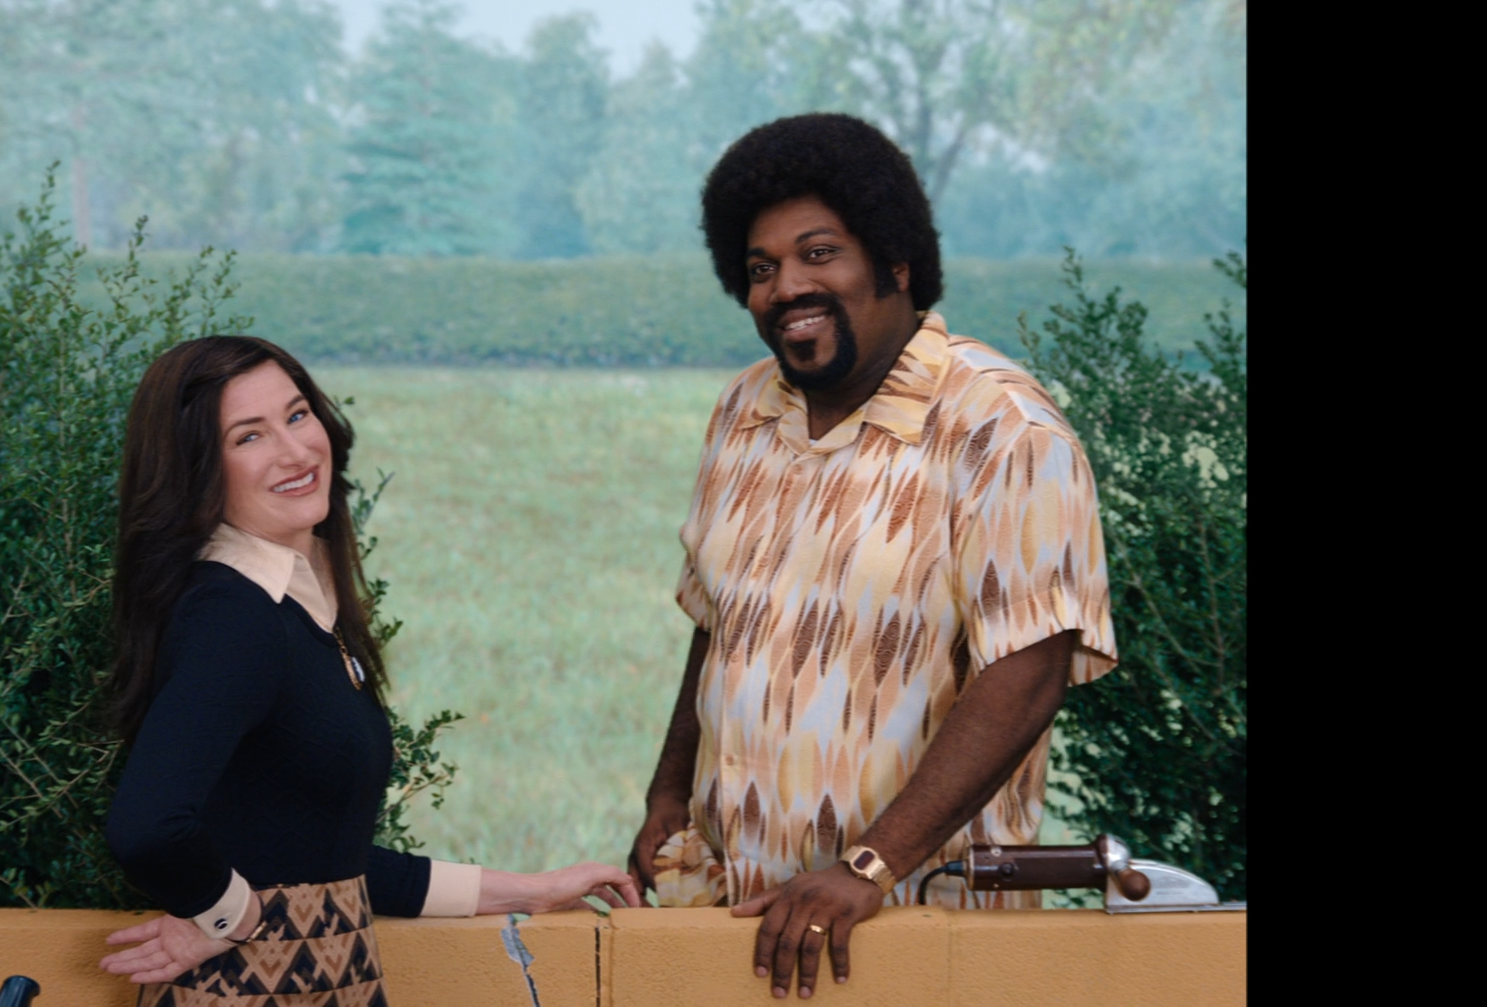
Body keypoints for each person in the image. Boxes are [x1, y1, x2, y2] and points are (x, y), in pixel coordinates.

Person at [625, 114, 1119, 1000]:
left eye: (820, 253)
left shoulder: (1003, 428)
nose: (788, 286)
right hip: (744, 919)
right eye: (761, 268)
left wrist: (869, 866)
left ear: (895, 261)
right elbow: (719, 622)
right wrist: (670, 792)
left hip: (916, 928)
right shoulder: (742, 411)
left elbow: (1029, 671)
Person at [100, 336, 640, 1005]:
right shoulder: (236, 616)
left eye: (298, 415)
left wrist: (531, 890)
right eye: (249, 436)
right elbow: (147, 826)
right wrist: (229, 915)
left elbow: (329, 863)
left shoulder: (299, 606)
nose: (296, 451)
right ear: (197, 469)